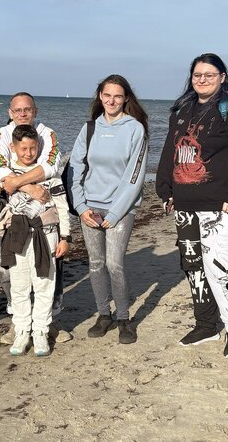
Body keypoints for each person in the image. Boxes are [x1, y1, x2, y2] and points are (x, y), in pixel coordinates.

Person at [155, 53, 228, 358]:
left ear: (222, 77)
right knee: (193, 267)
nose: (202, 80)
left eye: (209, 75)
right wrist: (165, 188)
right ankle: (205, 324)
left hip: (222, 204)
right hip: (185, 202)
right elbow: (170, 150)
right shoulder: (182, 108)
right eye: (197, 75)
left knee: (221, 266)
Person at [68, 74, 149, 344]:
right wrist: (80, 207)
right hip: (90, 208)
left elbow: (134, 176)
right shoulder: (89, 129)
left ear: (126, 98)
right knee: (96, 263)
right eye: (106, 95)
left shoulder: (135, 129)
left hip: (121, 209)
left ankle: (124, 318)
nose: (111, 100)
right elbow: (76, 170)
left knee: (114, 264)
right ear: (99, 97)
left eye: (117, 95)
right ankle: (104, 314)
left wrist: (115, 214)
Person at [0, 92, 72, 345]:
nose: (22, 114)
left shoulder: (47, 134)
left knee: (48, 275)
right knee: (13, 277)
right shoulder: (2, 135)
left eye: (27, 109)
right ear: (10, 113)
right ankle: (19, 326)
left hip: (45, 223)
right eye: (17, 110)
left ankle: (47, 325)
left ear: (35, 111)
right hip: (15, 220)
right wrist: (27, 187)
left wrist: (20, 183)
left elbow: (51, 166)